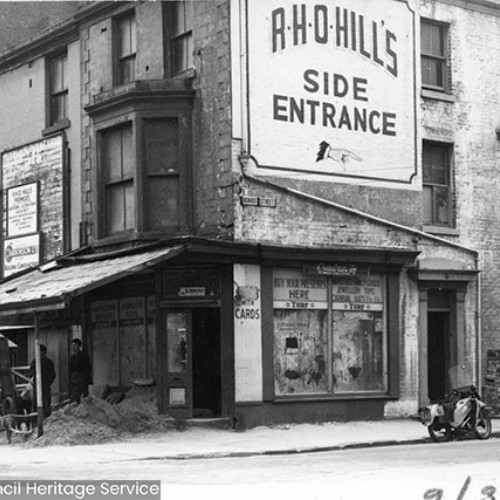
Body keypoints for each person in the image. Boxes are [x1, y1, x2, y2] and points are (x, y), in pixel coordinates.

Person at [28, 344, 56, 418]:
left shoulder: (48, 362)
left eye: (39, 350)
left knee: (46, 402)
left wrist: (47, 382)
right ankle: (35, 420)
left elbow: (52, 374)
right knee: (35, 403)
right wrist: (32, 378)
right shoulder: (34, 361)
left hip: (45, 385)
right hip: (36, 385)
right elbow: (30, 373)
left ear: (43, 352)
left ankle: (47, 418)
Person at [69, 338, 92, 403]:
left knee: (82, 397)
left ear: (79, 346)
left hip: (82, 380)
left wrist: (82, 377)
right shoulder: (72, 358)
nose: (73, 347)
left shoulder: (84, 356)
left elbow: (87, 368)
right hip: (74, 381)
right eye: (72, 345)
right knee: (74, 397)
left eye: (75, 345)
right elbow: (70, 369)